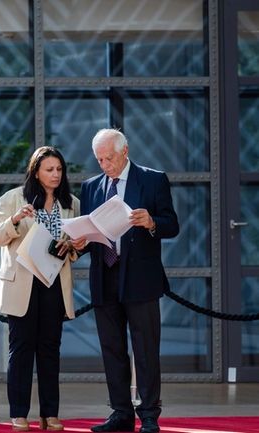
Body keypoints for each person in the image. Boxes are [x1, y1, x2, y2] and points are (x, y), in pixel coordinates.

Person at [79, 129, 179, 433]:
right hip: (104, 275)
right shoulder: (91, 187)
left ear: (125, 151)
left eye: (109, 158)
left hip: (140, 278)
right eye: (99, 159)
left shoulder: (152, 179)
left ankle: (149, 414)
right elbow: (90, 229)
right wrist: (80, 242)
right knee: (112, 349)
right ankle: (121, 412)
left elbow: (171, 225)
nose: (104, 164)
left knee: (146, 349)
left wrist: (151, 222)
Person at [0, 146, 85, 432]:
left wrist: (76, 246)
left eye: (59, 170)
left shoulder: (71, 203)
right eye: (49, 169)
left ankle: (50, 413)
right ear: (36, 171)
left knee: (49, 350)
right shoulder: (12, 198)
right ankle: (19, 413)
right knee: (21, 350)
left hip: (53, 283)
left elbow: (78, 245)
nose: (55, 175)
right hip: (23, 284)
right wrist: (15, 219)